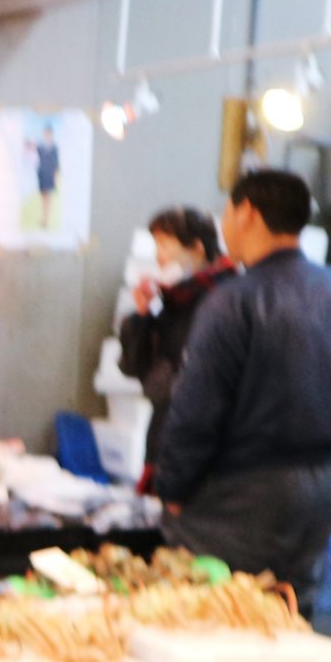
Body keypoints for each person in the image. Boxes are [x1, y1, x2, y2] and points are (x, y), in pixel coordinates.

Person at [155, 170, 331, 600]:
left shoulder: (233, 301)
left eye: (226, 212)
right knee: (287, 620)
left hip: (236, 502)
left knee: (217, 626)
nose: (223, 225)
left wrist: (174, 489)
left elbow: (197, 409)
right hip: (318, 494)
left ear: (247, 214)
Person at [117, 207, 237, 490]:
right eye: (156, 245)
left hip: (206, 449)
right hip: (166, 435)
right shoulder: (176, 298)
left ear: (196, 248)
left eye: (165, 246)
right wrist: (143, 314)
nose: (159, 256)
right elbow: (135, 366)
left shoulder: (226, 297)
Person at [33, 124, 60, 230]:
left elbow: (56, 163)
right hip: (42, 173)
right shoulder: (41, 146)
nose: (46, 135)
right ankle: (44, 219)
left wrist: (55, 176)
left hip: (49, 174)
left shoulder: (54, 147)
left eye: (48, 132)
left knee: (47, 197)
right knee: (43, 196)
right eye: (45, 133)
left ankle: (46, 219)